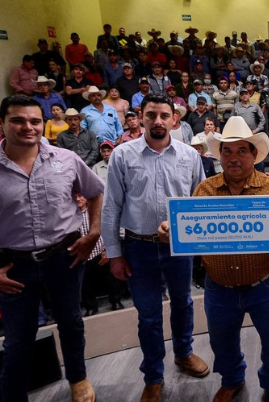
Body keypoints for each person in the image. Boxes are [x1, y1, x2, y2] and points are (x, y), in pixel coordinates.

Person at [0, 95, 105, 402]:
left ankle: (78, 378)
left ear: (43, 124)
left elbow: (95, 193)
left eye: (35, 121)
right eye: (18, 120)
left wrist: (93, 232)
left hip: (65, 257)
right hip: (14, 265)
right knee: (19, 339)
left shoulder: (67, 159)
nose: (28, 127)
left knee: (71, 323)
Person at [157, 116, 269, 402]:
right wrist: (170, 232)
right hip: (219, 286)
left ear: (253, 155)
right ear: (219, 156)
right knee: (221, 341)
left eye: (241, 151)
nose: (233, 158)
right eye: (227, 151)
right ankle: (232, 379)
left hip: (265, 285)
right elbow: (188, 229)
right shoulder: (204, 190)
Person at [102, 94, 209, 402]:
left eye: (165, 115)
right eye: (152, 115)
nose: (158, 121)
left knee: (183, 303)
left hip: (180, 247)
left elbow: (198, 201)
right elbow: (111, 208)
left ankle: (184, 353)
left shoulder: (190, 156)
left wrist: (200, 243)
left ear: (174, 119)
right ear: (141, 117)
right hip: (139, 246)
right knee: (148, 315)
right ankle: (153, 376)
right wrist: (114, 255)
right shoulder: (122, 155)